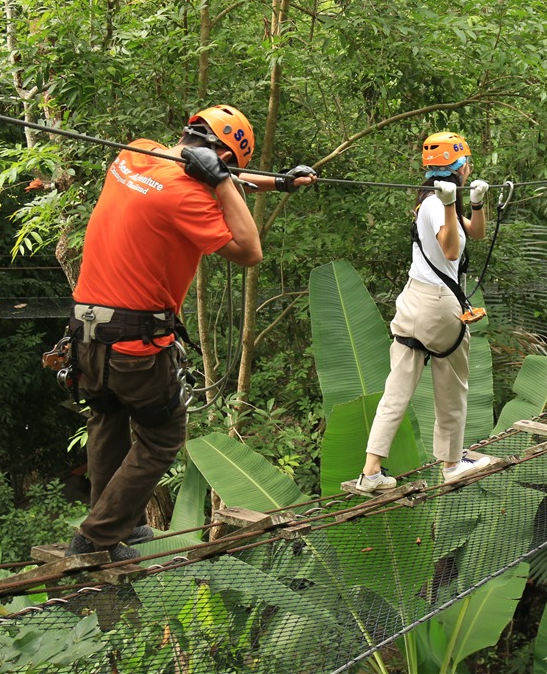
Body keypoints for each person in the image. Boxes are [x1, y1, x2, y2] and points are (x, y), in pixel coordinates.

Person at [65, 106, 316, 561]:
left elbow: (192, 171)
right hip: (134, 343)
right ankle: (96, 537)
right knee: (162, 437)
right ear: (220, 158)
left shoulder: (135, 154)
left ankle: (116, 526)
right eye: (228, 168)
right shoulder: (189, 196)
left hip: (85, 335)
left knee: (109, 417)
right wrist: (223, 181)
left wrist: (275, 181)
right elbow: (250, 250)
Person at [356, 132, 491, 491]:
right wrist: (450, 205)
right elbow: (450, 251)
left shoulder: (434, 200)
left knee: (397, 388)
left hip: (413, 302)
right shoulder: (437, 204)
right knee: (452, 386)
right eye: (467, 163)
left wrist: (475, 204)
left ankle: (370, 472)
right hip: (439, 306)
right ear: (460, 167)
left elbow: (472, 236)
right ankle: (451, 463)